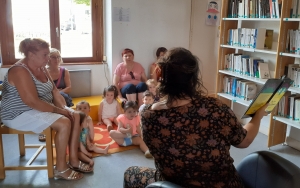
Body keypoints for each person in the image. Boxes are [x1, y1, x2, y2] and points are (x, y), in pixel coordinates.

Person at [123, 47, 268, 188]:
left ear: (160, 75)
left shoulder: (148, 115)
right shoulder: (215, 108)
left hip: (172, 183)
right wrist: (257, 116)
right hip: (223, 184)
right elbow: (244, 141)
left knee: (130, 173)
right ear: (193, 79)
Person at [0, 38, 93, 181]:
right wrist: (60, 112)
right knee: (64, 122)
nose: (48, 58)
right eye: (44, 55)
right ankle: (60, 168)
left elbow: (55, 91)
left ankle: (73, 159)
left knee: (75, 115)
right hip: (17, 114)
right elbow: (31, 101)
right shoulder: (19, 70)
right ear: (31, 55)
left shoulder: (42, 68)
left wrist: (65, 108)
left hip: (36, 109)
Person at [38, 48, 73, 142]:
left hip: (63, 97)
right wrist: (54, 92)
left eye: (58, 57)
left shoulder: (64, 71)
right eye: (53, 57)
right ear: (48, 59)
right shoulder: (43, 72)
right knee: (46, 100)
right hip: (49, 98)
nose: (56, 59)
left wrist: (57, 92)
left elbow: (69, 88)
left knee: (61, 97)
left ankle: (62, 126)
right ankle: (48, 128)